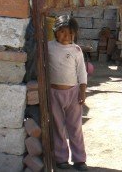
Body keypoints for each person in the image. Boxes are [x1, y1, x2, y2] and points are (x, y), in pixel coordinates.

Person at [48, 15, 89, 171]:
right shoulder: (48, 47)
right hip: (54, 93)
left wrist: (82, 91)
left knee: (75, 127)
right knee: (58, 127)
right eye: (63, 32)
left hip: (73, 93)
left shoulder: (76, 50)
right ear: (56, 32)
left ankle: (79, 159)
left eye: (71, 33)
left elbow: (82, 72)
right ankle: (61, 159)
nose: (67, 36)